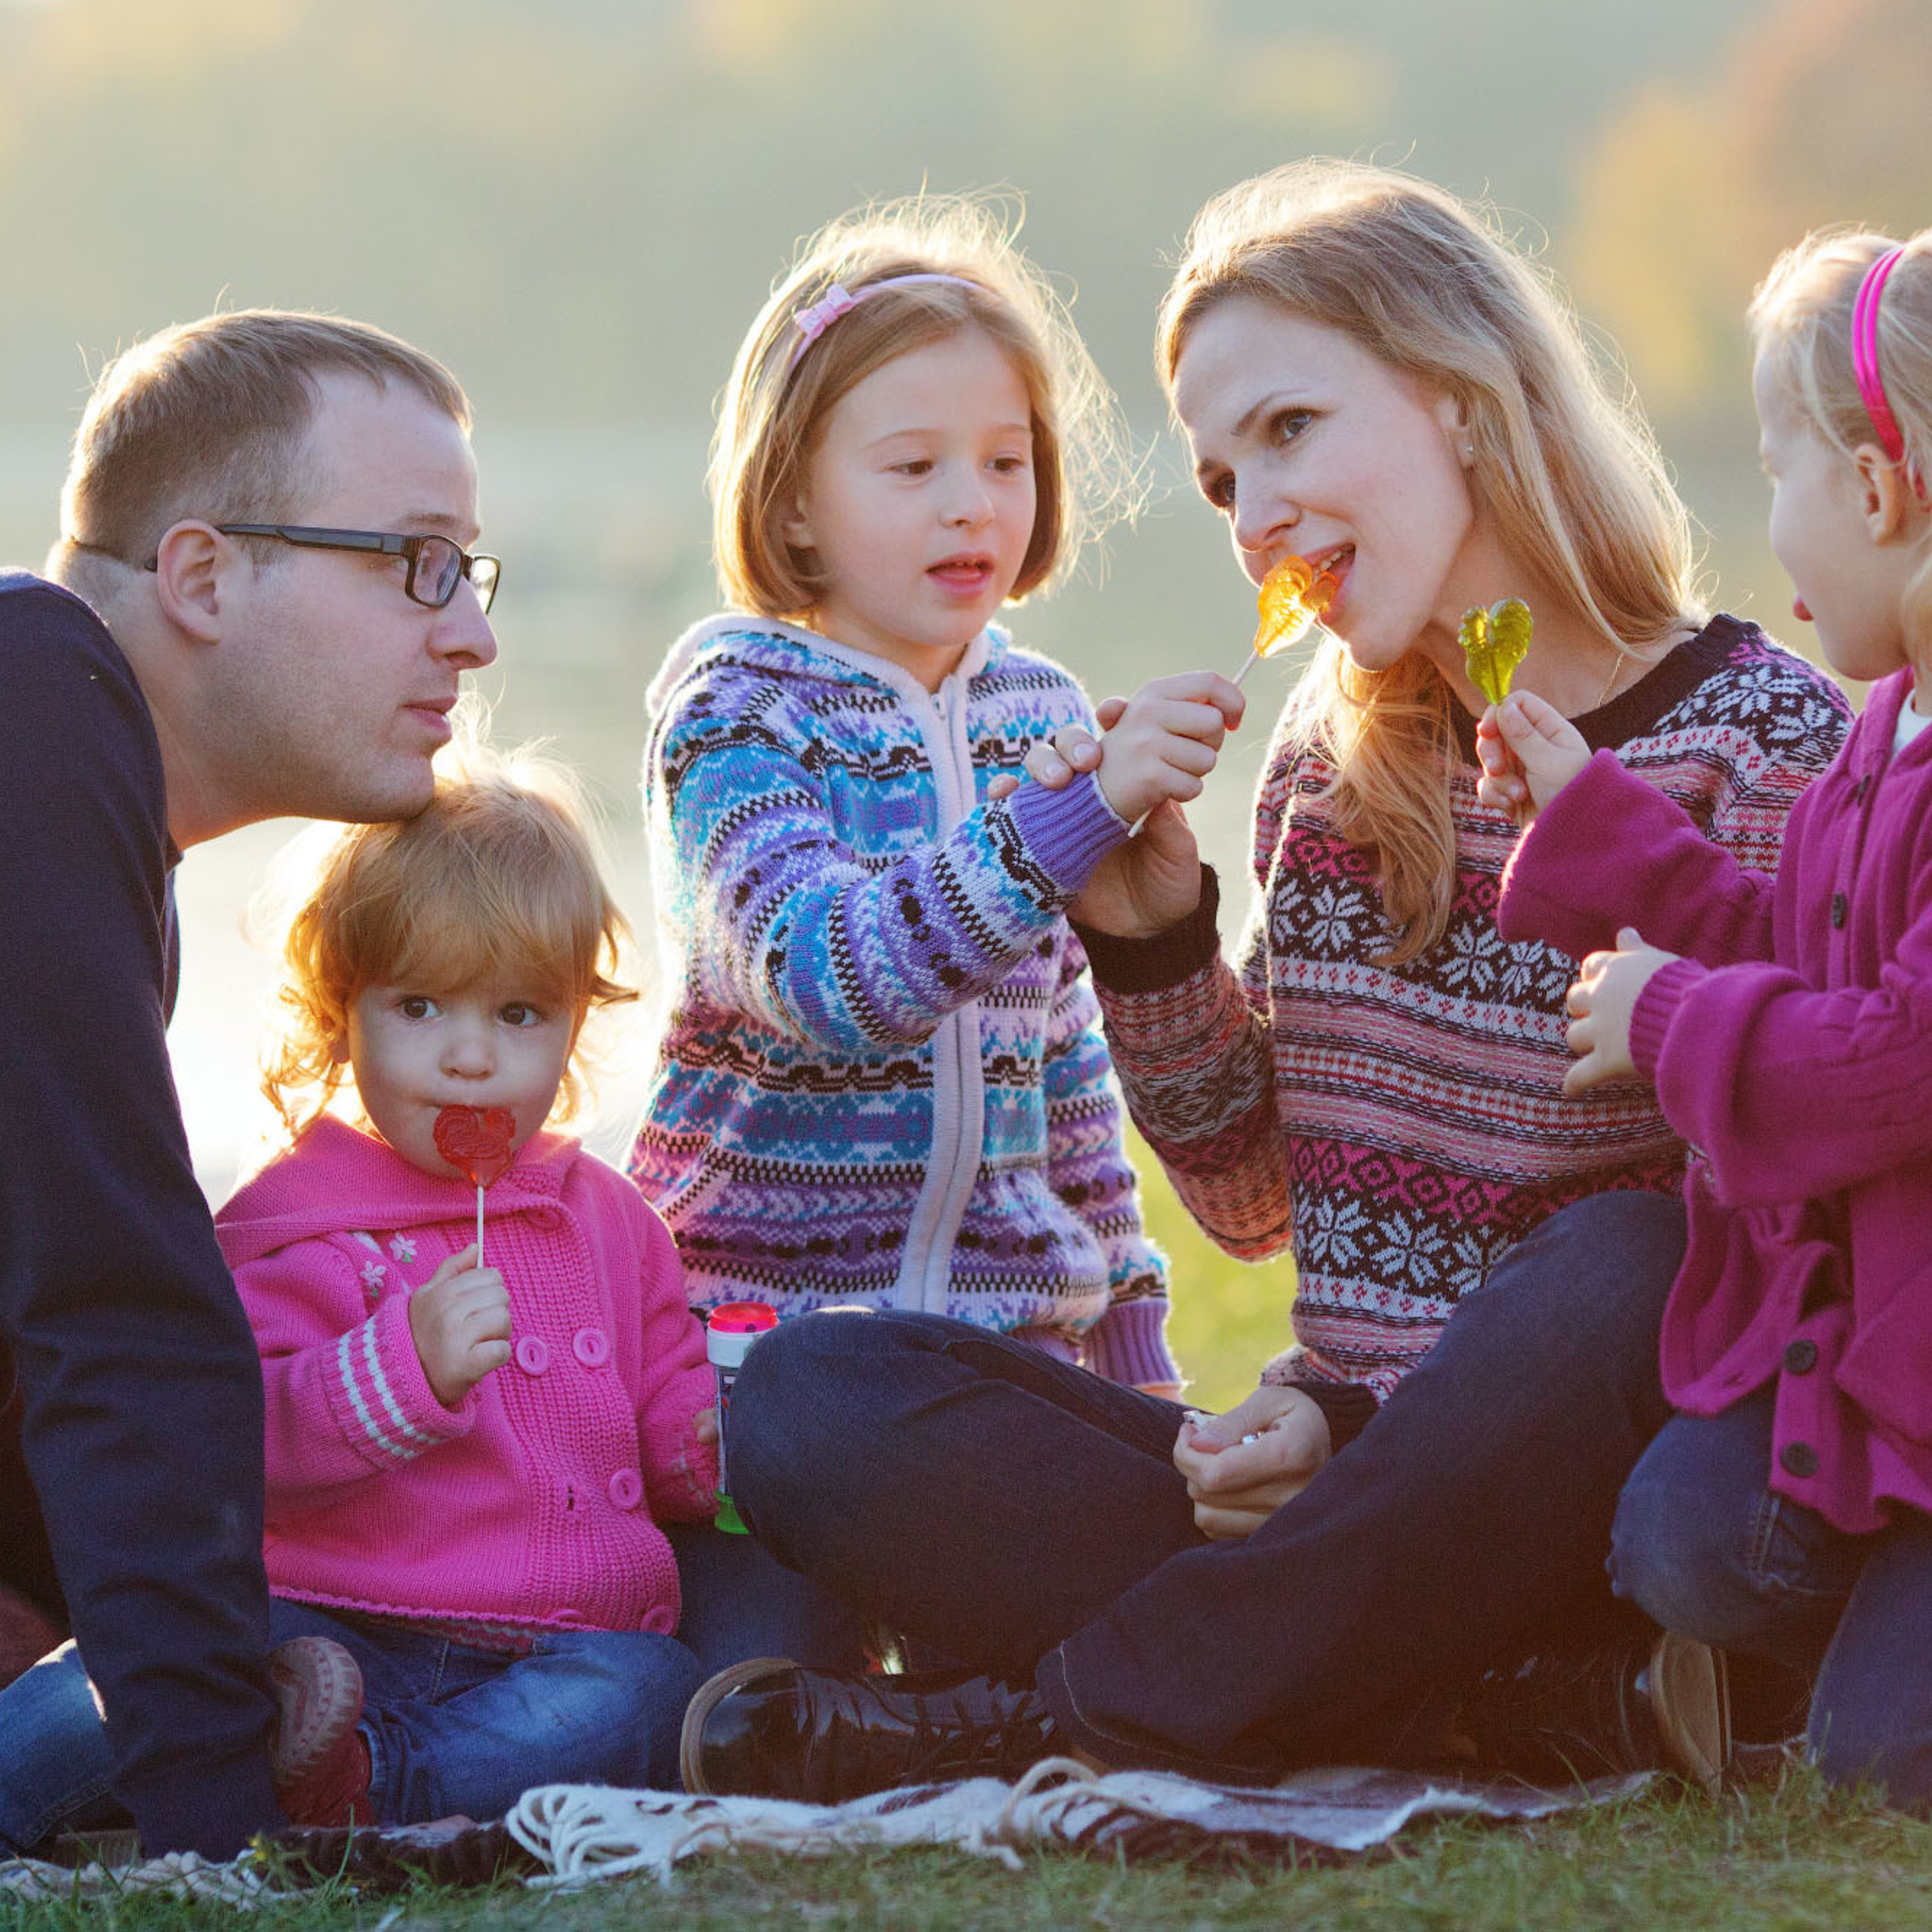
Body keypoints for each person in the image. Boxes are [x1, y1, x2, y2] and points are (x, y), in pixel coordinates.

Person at [675, 161, 1852, 1801]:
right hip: (1345, 1500)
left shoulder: (1772, 737)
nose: (1253, 514)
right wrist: (1148, 940)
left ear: (1456, 395)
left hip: (1610, 1492)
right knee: (811, 1392)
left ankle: (1078, 1710)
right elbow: (1251, 1201)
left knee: (1630, 1253)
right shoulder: (1327, 766)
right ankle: (1420, 1690)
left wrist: (1378, 1421)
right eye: (1222, 476)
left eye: (1289, 430)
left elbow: (1819, 1193)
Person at [0, 748, 728, 1844]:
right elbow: (236, 1442)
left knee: (647, 1696)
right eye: (422, 1006)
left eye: (521, 1014)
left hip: (536, 1643)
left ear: (580, 1021)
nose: (471, 1057)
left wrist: (701, 1441)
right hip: (311, 1627)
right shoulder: (298, 1219)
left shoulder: (611, 1221)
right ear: (345, 1010)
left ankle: (367, 1783)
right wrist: (403, 1370)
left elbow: (663, 1387)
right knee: (129, 1670)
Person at [0, 311, 498, 1857]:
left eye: (467, 574)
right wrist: (215, 1826)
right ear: (205, 576)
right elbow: (116, 1303)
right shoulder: (29, 701)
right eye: (416, 561)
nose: (469, 635)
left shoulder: (64, 764)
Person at [628, 193, 1229, 1395]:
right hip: (770, 1359)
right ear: (793, 497)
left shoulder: (1039, 714)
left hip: (1013, 1353)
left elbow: (1066, 1075)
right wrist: (1068, 817)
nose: (973, 502)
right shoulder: (737, 714)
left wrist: (1133, 1349)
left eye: (1007, 461)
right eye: (913, 467)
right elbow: (830, 977)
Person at [1485, 226, 1932, 1810]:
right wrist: (1603, 830)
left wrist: (1670, 1017)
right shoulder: (1878, 736)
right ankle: (1849, 1635)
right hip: (1885, 1358)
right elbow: (1797, 953)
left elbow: (1894, 1052)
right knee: (1676, 1535)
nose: (1772, 524)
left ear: (1875, 492)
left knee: (1883, 1769)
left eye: (1774, 471)